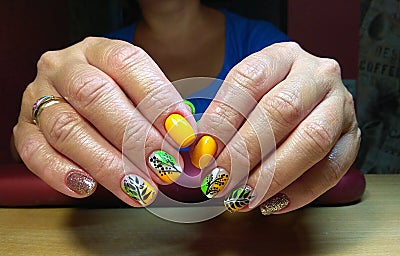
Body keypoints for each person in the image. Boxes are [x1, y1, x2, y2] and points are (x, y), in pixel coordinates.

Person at [12, 0, 361, 215]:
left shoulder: (260, 41)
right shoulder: (98, 56)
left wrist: (328, 110)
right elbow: (22, 154)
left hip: (251, 243)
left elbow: (314, 115)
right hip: (122, 245)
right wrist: (41, 120)